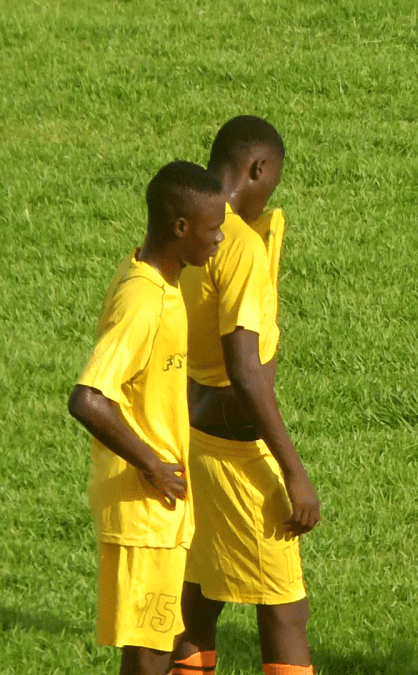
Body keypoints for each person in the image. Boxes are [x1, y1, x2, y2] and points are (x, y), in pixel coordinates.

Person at [170, 116, 320, 675]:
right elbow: (246, 371)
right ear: (257, 168)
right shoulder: (237, 245)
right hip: (235, 452)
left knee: (199, 596)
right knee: (285, 609)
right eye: (272, 180)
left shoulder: (188, 231)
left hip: (189, 437)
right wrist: (293, 472)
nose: (270, 195)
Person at [68, 161, 225, 675]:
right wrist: (153, 466)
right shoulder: (144, 300)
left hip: (157, 509)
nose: (220, 238)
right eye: (212, 228)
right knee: (150, 651)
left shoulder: (154, 278)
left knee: (152, 643)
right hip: (145, 508)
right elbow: (88, 398)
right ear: (180, 227)